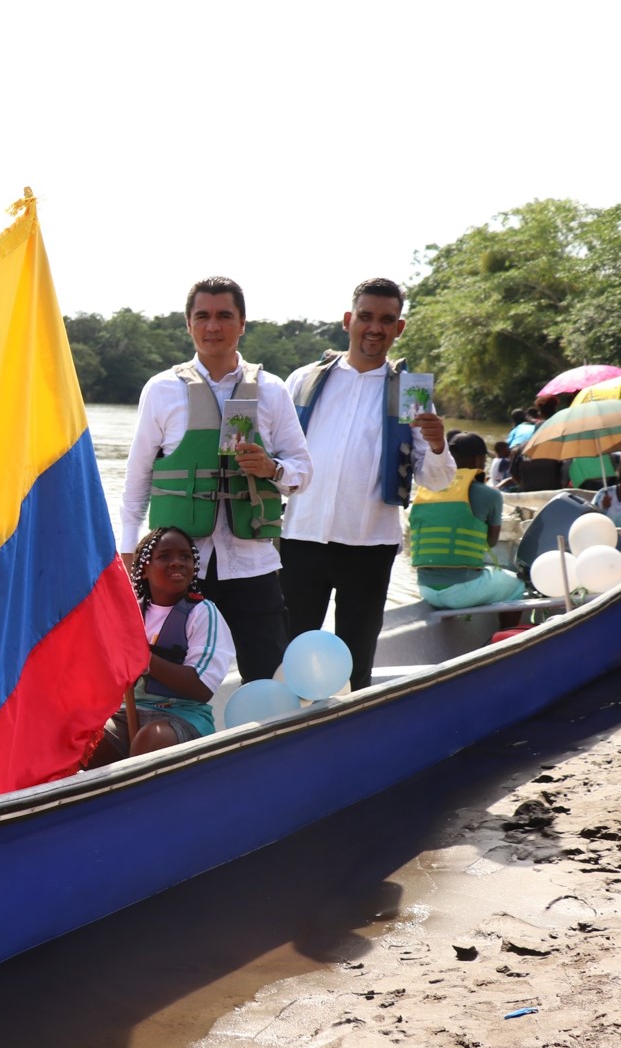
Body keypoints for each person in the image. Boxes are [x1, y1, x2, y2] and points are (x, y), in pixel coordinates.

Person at [117, 277, 311, 681]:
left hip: (253, 567)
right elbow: (137, 480)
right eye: (202, 316)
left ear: (242, 323)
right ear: (188, 323)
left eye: (224, 315)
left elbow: (303, 471)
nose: (213, 326)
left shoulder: (272, 390)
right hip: (179, 569)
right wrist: (128, 554)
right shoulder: (161, 389)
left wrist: (271, 468)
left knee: (269, 677)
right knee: (171, 680)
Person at [282, 278, 456, 691]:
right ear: (348, 320)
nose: (375, 328)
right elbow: (277, 456)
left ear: (400, 328)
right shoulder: (304, 380)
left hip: (370, 545)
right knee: (289, 653)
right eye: (366, 316)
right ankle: (287, 724)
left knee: (357, 661)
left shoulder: (410, 391)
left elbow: (435, 478)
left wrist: (437, 444)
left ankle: (351, 724)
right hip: (301, 536)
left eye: (387, 320)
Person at [88, 527, 235, 767]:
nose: (177, 562)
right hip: (128, 712)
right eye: (165, 556)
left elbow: (201, 688)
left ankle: (142, 789)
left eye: (185, 556)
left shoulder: (203, 613)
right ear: (144, 569)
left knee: (151, 740)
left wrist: (144, 660)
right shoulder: (129, 614)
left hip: (183, 715)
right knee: (86, 741)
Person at [411, 433, 524, 608]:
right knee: (518, 585)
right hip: (463, 589)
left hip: (425, 589)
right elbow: (491, 542)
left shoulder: (425, 489)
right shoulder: (490, 495)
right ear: (478, 459)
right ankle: (507, 627)